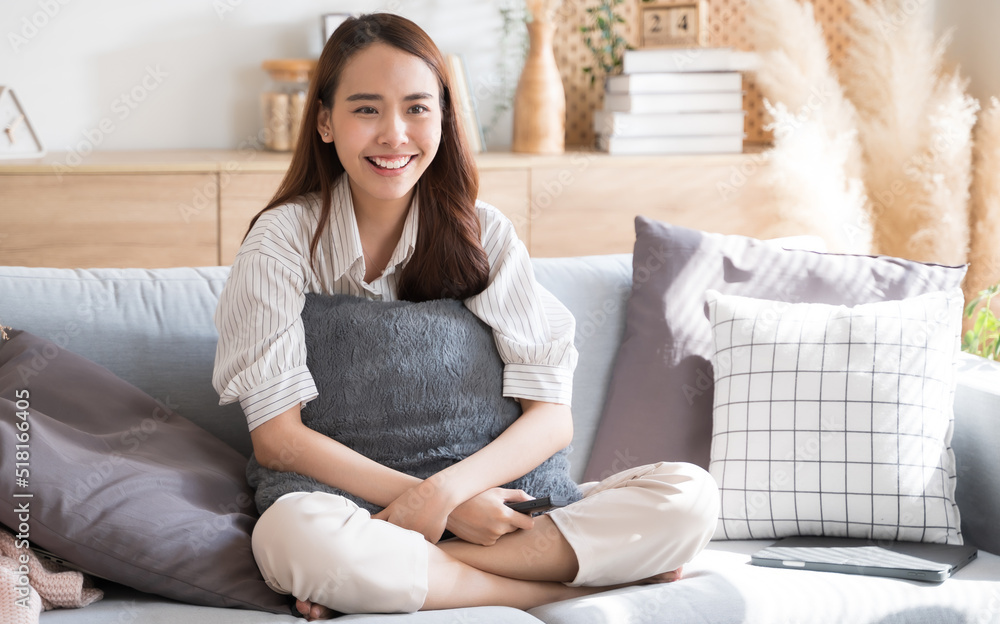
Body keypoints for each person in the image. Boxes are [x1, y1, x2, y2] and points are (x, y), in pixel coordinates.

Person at [212, 13, 719, 621]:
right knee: (291, 537)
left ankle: (402, 577)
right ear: (324, 121)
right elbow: (278, 439)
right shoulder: (281, 241)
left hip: (494, 509)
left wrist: (449, 495)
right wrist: (436, 508)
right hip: (352, 510)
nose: (394, 134)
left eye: (417, 108)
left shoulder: (486, 233)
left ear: (446, 117)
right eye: (366, 109)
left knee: (688, 498)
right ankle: (563, 588)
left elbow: (551, 418)